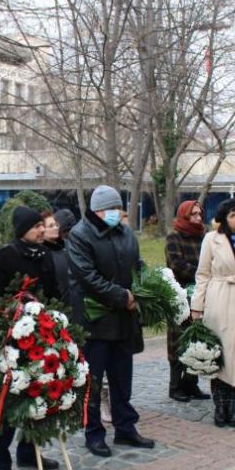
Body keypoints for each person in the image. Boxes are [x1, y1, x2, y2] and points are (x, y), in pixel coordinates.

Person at [67, 185, 155, 456]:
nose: (117, 213)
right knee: (92, 383)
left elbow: (137, 265)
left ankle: (126, 429)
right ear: (98, 211)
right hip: (95, 322)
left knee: (122, 380)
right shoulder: (80, 235)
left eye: (119, 208)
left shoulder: (127, 234)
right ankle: (94, 433)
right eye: (112, 208)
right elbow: (87, 277)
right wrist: (122, 296)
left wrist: (144, 288)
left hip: (123, 322)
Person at [0, 205, 61, 470]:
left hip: (42, 338)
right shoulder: (4, 257)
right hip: (11, 340)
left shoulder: (45, 256)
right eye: (36, 226)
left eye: (43, 225)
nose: (42, 229)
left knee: (37, 395)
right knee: (10, 399)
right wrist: (13, 313)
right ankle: (0, 461)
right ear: (22, 230)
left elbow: (53, 294)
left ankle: (28, 452)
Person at [190, 199, 235, 428]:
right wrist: (197, 305)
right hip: (219, 297)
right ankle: (219, 406)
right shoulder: (211, 240)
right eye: (233, 214)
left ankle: (232, 406)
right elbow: (202, 273)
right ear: (224, 217)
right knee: (219, 356)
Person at [164, 200, 210, 402]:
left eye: (200, 214)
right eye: (193, 214)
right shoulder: (174, 237)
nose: (198, 218)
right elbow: (176, 264)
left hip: (201, 295)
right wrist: (202, 273)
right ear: (184, 215)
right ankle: (175, 386)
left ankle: (192, 384)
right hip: (181, 296)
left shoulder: (205, 236)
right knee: (178, 341)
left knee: (198, 340)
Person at [42, 210, 71, 300]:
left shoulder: (68, 245)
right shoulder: (42, 254)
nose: (55, 228)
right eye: (51, 226)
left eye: (56, 225)